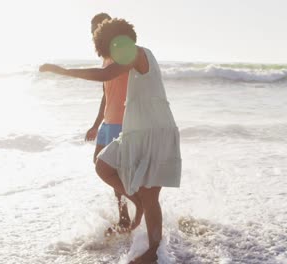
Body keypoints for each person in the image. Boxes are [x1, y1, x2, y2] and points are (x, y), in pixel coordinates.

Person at [40, 18, 182, 264]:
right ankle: (138, 204)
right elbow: (108, 83)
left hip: (154, 130)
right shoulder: (135, 54)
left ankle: (153, 252)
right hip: (138, 131)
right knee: (103, 165)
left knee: (151, 196)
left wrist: (63, 71)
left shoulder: (137, 53)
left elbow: (105, 74)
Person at [85, 12, 131, 231]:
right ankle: (128, 210)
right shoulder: (105, 58)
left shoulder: (121, 54)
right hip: (107, 121)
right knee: (99, 163)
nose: (94, 32)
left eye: (98, 28)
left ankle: (129, 212)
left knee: (112, 169)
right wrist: (96, 124)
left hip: (120, 121)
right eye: (93, 28)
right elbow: (105, 94)